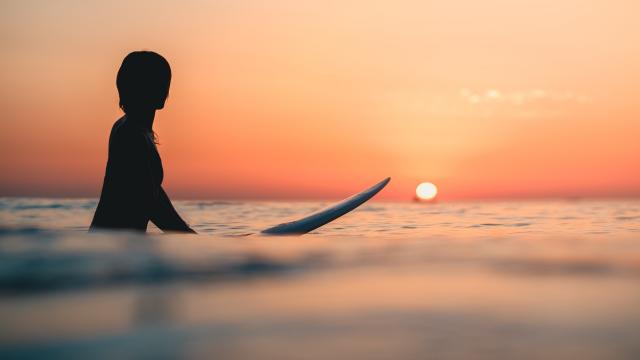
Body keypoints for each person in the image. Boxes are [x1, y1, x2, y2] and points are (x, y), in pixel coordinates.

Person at [90, 51, 195, 233]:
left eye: (165, 81)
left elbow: (153, 192)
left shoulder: (132, 129)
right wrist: (192, 239)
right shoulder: (131, 135)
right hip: (114, 247)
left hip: (113, 245)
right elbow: (151, 202)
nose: (164, 88)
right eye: (157, 81)